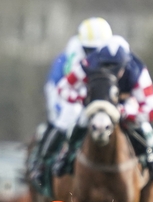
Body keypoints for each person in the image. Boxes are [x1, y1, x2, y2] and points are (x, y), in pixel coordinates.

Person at [51, 35, 153, 177]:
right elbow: (62, 89)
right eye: (105, 66)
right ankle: (66, 156)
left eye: (116, 68)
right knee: (78, 122)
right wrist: (83, 98)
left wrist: (126, 112)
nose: (110, 72)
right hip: (95, 104)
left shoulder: (137, 71)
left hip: (124, 105)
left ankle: (150, 158)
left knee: (147, 132)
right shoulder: (89, 64)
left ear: (125, 64)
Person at [31, 17, 113, 185]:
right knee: (66, 119)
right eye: (89, 49)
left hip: (96, 96)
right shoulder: (74, 53)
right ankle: (41, 165)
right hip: (64, 91)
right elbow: (69, 86)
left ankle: (149, 158)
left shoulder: (116, 53)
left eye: (98, 49)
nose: (94, 54)